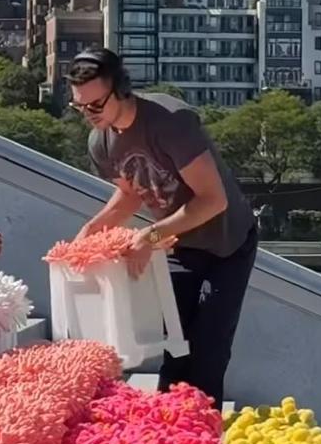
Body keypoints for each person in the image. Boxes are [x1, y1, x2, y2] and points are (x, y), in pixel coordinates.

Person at [67, 47, 257, 410]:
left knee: (208, 350)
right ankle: (168, 439)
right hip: (179, 245)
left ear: (121, 89)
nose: (88, 115)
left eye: (95, 105)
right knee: (175, 347)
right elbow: (130, 194)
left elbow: (213, 200)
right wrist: (90, 231)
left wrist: (148, 237)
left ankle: (203, 438)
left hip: (228, 242)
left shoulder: (170, 122)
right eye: (79, 106)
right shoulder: (101, 142)